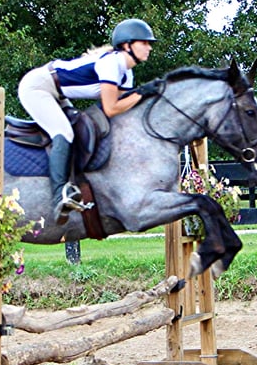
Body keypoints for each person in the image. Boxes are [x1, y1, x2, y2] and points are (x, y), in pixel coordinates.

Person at [18, 18, 160, 225]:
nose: (149, 47)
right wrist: (142, 93)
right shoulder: (112, 63)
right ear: (127, 45)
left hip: (58, 93)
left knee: (78, 129)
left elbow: (124, 106)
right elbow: (111, 108)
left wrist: (144, 95)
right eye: (144, 42)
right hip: (37, 86)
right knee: (64, 132)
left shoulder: (127, 73)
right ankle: (60, 196)